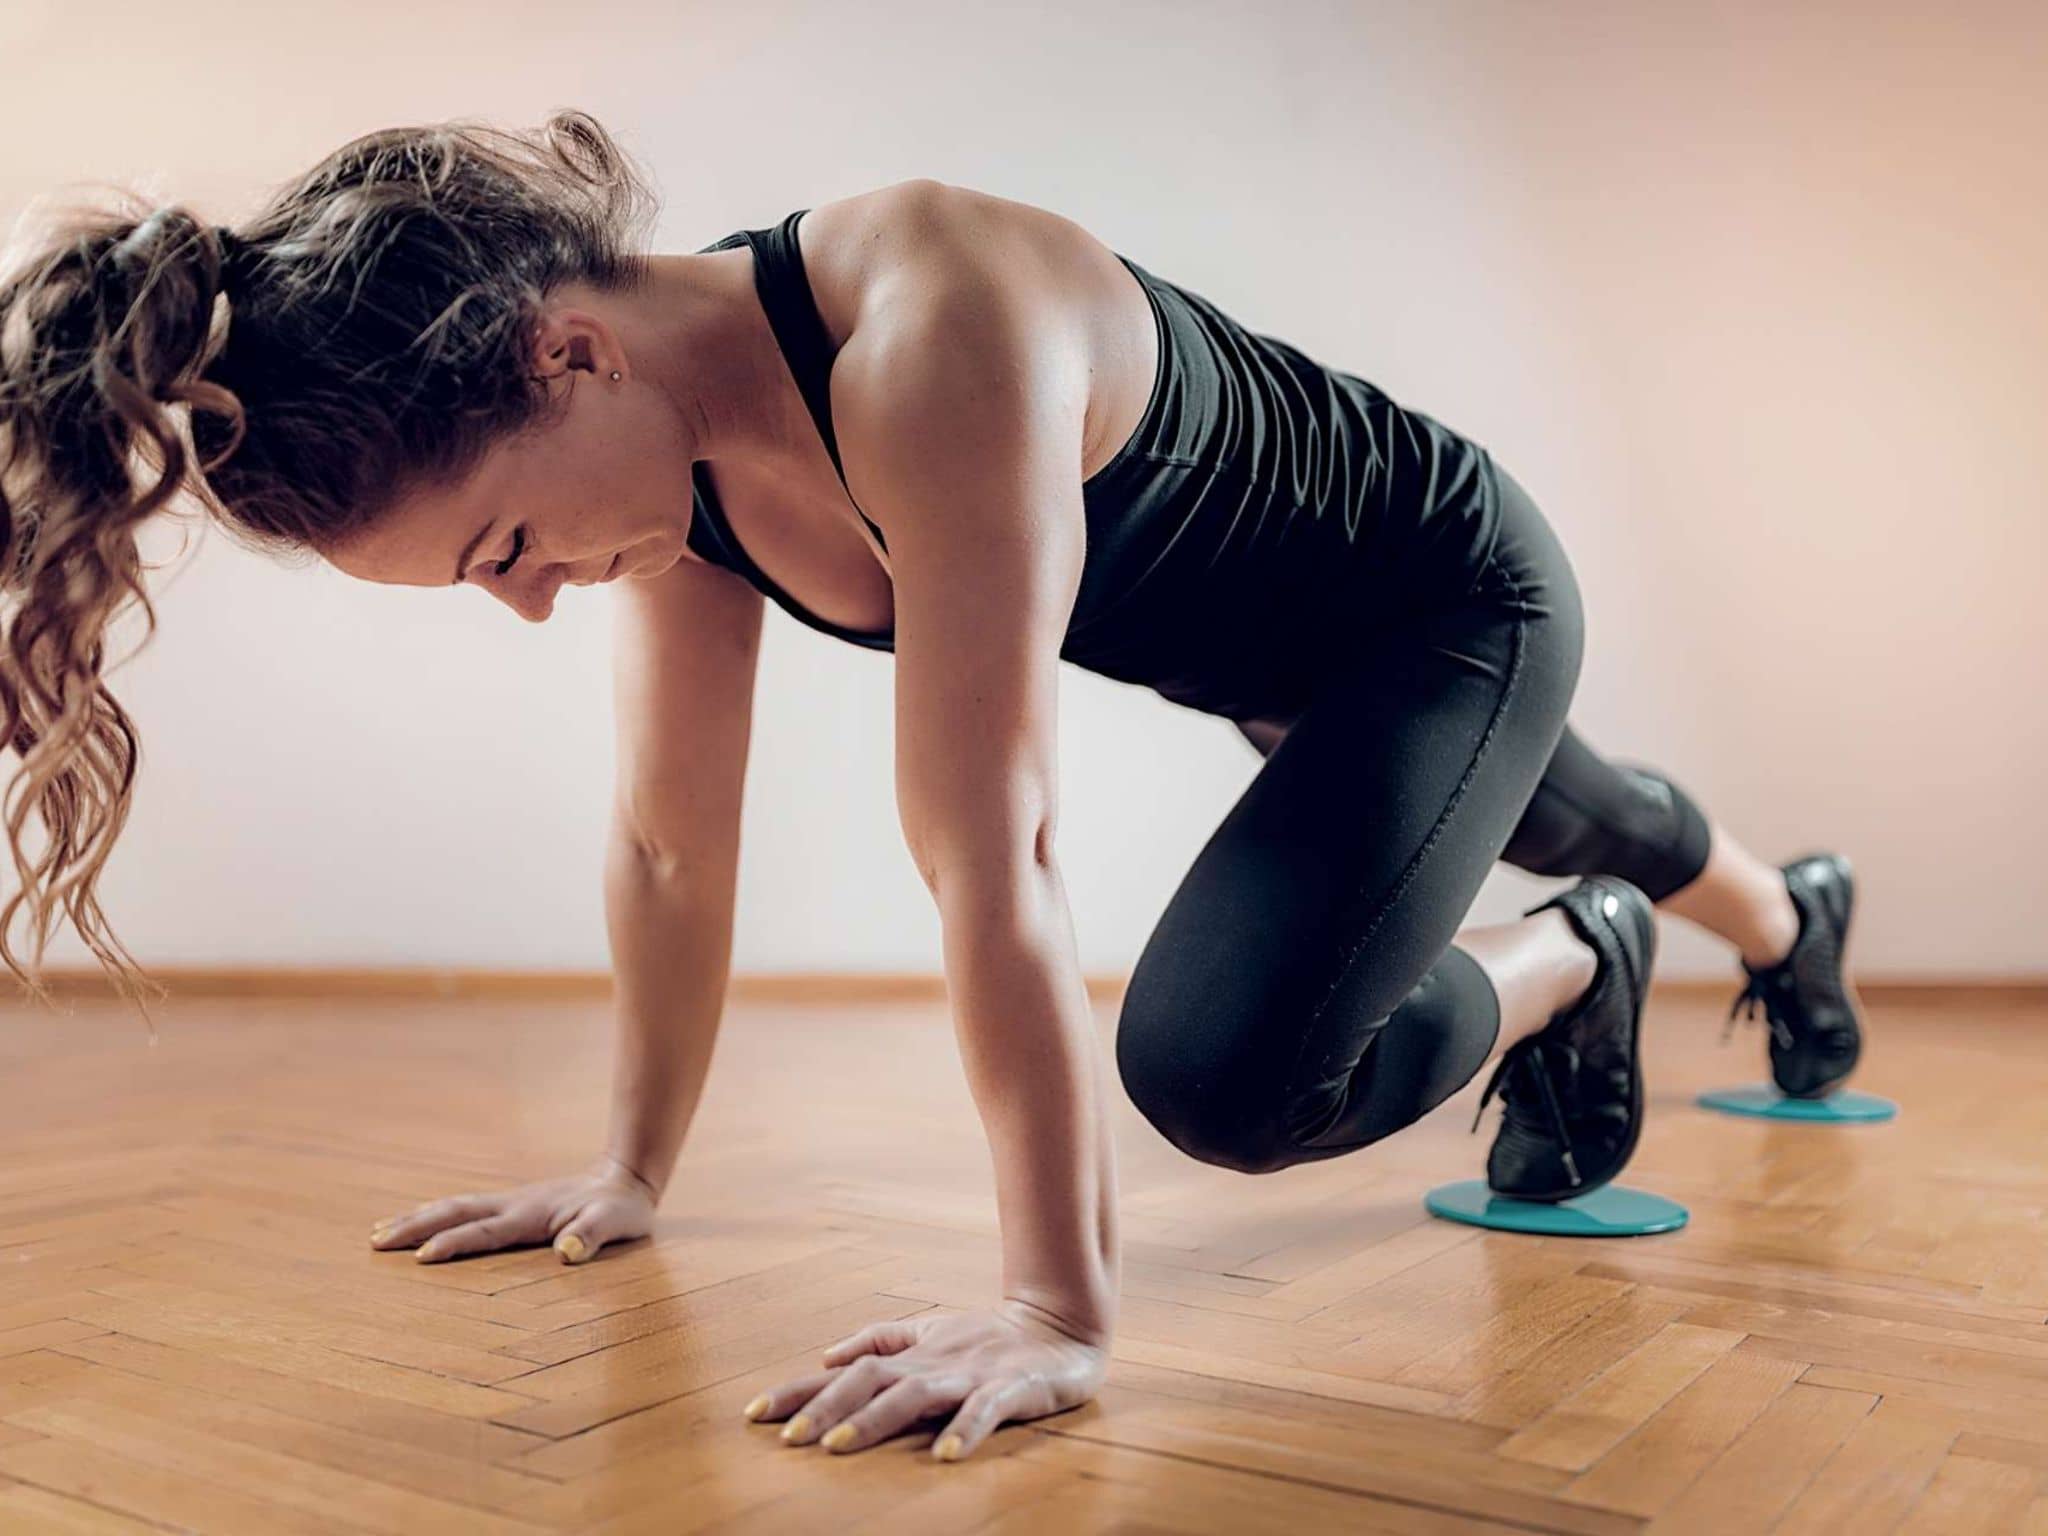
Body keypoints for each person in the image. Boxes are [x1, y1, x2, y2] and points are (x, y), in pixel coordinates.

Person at [0, 111, 1862, 1464]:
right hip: (1274, 663)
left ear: (564, 355)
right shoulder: (675, 467)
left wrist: (1056, 1306)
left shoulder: (926, 331)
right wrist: (634, 1164)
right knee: (1565, 800)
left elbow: (998, 848)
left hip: (1451, 593)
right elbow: (666, 838)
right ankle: (1773, 921)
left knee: (1230, 1072)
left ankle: (1571, 962)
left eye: (505, 547)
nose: (536, 600)